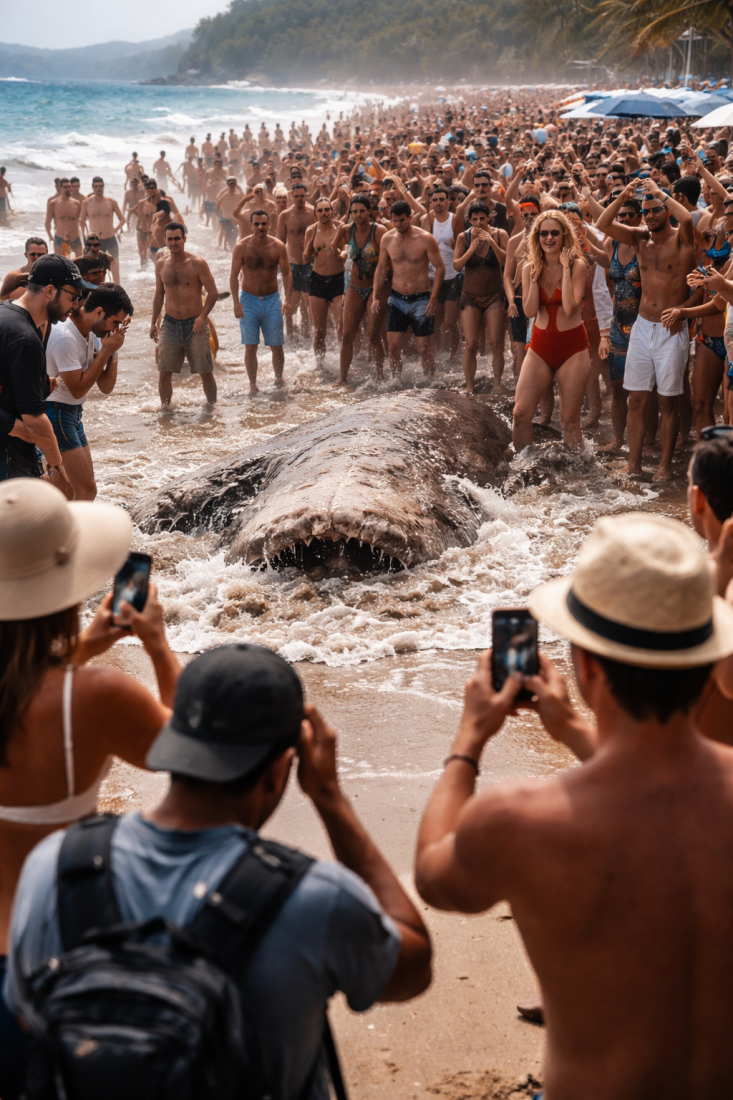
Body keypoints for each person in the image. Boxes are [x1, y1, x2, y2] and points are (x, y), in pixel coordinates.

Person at [6, 640, 432, 1097]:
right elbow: (413, 965)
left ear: (172, 745)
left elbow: (27, 1013)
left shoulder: (54, 866)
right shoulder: (315, 897)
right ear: (284, 767)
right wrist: (331, 800)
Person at [415, 510, 733, 1100]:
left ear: (585, 666)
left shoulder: (519, 820)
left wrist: (468, 743)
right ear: (708, 658)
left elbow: (435, 875)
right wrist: (570, 730)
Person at [0, 477, 178, 1097]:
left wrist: (89, 645)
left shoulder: (76, 683)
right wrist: (157, 646)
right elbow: (191, 757)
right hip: (59, 942)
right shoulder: (96, 698)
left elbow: (18, 688)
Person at [596, 179, 695, 481]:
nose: (650, 216)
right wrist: (625, 195)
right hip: (641, 327)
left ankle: (664, 465)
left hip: (671, 329)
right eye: (646, 211)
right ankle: (634, 463)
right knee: (635, 399)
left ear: (667, 210)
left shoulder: (682, 239)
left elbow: (689, 217)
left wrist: (658, 191)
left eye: (655, 211)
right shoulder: (640, 238)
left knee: (667, 401)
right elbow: (602, 222)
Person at [0, 256, 96, 486]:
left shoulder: (5, 313)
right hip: (8, 456)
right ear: (50, 291)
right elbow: (36, 422)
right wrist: (56, 466)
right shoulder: (25, 339)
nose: (76, 305)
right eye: (73, 296)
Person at [512, 210, 591, 451]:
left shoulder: (578, 265)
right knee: (521, 414)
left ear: (564, 235)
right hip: (539, 348)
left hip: (573, 349)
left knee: (568, 421)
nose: (549, 238)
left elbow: (569, 308)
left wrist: (566, 270)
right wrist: (534, 279)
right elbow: (529, 312)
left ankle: (579, 477)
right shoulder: (528, 268)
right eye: (543, 233)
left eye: (554, 233)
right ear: (536, 237)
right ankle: (523, 469)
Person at [45, 284, 132, 501]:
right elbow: (77, 389)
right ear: (99, 312)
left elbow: (106, 386)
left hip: (73, 414)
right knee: (84, 491)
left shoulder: (93, 333)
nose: (115, 329)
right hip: (55, 412)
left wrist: (112, 353)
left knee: (74, 491)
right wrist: (106, 351)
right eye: (115, 322)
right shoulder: (65, 336)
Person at [372, 200, 444, 378]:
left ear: (410, 218)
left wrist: (434, 297)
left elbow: (440, 268)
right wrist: (375, 296)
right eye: (394, 221)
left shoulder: (425, 238)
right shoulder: (387, 239)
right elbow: (381, 269)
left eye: (402, 220)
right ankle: (396, 382)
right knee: (393, 347)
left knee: (424, 348)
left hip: (421, 299)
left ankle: (430, 382)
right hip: (396, 298)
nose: (398, 224)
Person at [150, 223, 219, 406]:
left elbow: (213, 293)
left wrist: (203, 317)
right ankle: (165, 410)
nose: (174, 242)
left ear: (184, 239)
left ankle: (212, 407)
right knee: (164, 371)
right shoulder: (160, 265)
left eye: (177, 238)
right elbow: (158, 296)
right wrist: (152, 323)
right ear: (165, 241)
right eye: (170, 239)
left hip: (195, 325)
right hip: (170, 324)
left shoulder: (197, 263)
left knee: (205, 371)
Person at [229, 209, 293, 393]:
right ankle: (253, 384)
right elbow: (233, 276)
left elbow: (288, 274)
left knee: (276, 345)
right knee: (250, 346)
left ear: (269, 225)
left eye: (264, 223)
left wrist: (288, 299)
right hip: (248, 301)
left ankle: (279, 380)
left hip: (272, 300)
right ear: (250, 226)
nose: (260, 227)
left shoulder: (278, 246)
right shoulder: (241, 247)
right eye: (256, 224)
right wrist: (235, 302)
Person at [597, 197, 642, 454]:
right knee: (616, 388)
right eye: (620, 216)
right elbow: (604, 267)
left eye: (629, 215)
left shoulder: (644, 243)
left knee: (643, 389)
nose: (623, 219)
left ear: (639, 218)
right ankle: (618, 440)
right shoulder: (612, 243)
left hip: (643, 324)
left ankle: (646, 441)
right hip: (618, 324)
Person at [452, 201, 507, 394]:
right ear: (468, 220)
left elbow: (505, 261)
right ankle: (469, 386)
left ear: (489, 218)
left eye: (482, 218)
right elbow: (457, 266)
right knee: (471, 343)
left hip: (495, 296)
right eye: (474, 219)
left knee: (495, 342)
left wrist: (491, 241)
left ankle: (498, 384)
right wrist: (471, 249)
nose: (478, 222)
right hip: (470, 296)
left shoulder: (500, 234)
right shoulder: (463, 237)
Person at [332, 195, 387, 386]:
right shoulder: (347, 230)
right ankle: (342, 378)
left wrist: (369, 258)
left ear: (369, 212)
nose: (357, 215)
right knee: (347, 334)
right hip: (355, 286)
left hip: (375, 288)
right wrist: (344, 252)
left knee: (373, 335)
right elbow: (335, 250)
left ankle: (380, 375)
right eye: (354, 211)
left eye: (361, 211)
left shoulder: (379, 231)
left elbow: (388, 260)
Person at [303, 199, 345, 367]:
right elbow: (305, 259)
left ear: (332, 211)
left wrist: (341, 252)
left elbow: (346, 252)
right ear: (315, 213)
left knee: (341, 327)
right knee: (319, 331)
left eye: (327, 209)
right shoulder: (311, 230)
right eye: (320, 210)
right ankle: (320, 365)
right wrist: (308, 247)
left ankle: (344, 363)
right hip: (318, 280)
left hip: (339, 280)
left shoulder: (341, 228)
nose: (324, 213)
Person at [277, 182, 316, 337]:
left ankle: (306, 333)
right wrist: (279, 265)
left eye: (302, 196)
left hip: (310, 264)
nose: (300, 199)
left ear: (306, 196)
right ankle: (290, 334)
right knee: (291, 304)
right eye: (297, 196)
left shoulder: (313, 213)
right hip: (292, 264)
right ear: (291, 196)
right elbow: (280, 242)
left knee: (307, 304)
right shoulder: (285, 215)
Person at [80, 178, 124, 282]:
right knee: (96, 269)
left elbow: (122, 219)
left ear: (103, 187)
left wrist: (115, 230)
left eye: (100, 186)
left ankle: (118, 291)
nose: (98, 188)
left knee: (114, 265)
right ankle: (100, 293)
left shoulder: (111, 202)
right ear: (92, 188)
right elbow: (82, 222)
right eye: (96, 186)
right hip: (95, 241)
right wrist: (84, 237)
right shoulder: (86, 203)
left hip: (110, 238)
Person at [45, 179, 82, 259]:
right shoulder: (53, 203)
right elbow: (47, 222)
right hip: (60, 239)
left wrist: (83, 234)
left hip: (75, 238)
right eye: (65, 187)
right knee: (61, 266)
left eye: (69, 187)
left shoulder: (77, 203)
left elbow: (79, 220)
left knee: (80, 266)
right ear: (60, 188)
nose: (68, 189)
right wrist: (50, 236)